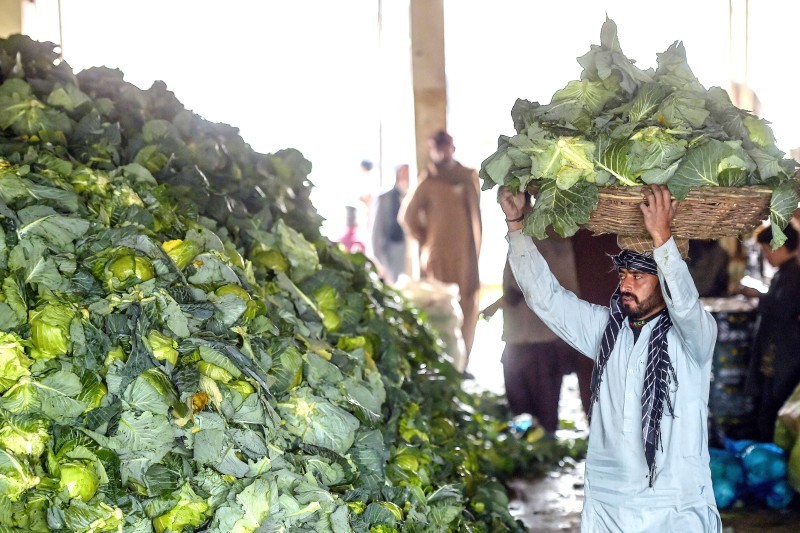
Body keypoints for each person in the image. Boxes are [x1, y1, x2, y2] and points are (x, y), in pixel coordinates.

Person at [499, 184, 721, 531]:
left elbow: (686, 305)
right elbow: (545, 297)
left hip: (675, 506)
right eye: (622, 275)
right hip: (609, 504)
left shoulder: (695, 338)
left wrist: (663, 239)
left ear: (664, 279)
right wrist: (516, 225)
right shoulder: (607, 330)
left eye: (638, 276)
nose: (625, 286)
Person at [482, 198, 583, 433]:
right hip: (518, 336)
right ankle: (529, 447)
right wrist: (498, 305)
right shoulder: (519, 234)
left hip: (543, 338)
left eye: (510, 199)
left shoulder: (551, 234)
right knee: (519, 404)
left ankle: (543, 445)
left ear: (526, 203)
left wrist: (502, 302)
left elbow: (546, 287)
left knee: (545, 409)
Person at [400, 130, 482, 358]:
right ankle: (446, 360)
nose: (443, 153)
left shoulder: (468, 176)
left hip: (467, 256)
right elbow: (407, 217)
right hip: (438, 257)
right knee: (442, 306)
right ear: (431, 151)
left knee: (467, 304)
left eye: (446, 148)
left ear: (452, 148)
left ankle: (464, 361)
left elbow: (476, 217)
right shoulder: (428, 182)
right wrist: (427, 240)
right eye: (438, 149)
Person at [744, 223, 800, 442]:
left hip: (785, 359)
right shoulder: (785, 275)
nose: (766, 256)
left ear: (779, 247)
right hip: (777, 358)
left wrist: (759, 297)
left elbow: (782, 311)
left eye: (767, 250)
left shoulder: (793, 276)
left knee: (774, 409)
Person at [371, 164, 409, 283]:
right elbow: (376, 235)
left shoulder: (415, 197)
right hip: (392, 260)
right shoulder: (385, 199)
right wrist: (381, 264)